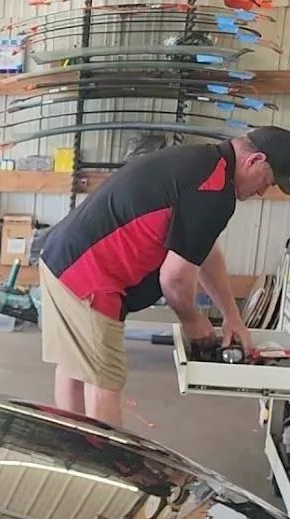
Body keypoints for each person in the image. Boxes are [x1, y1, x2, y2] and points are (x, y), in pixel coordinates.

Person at [39, 127, 290, 427]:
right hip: (91, 277)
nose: (262, 191)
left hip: (60, 258)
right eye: (267, 181)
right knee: (105, 382)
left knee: (74, 367)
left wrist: (231, 316)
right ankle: (103, 466)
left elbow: (203, 249)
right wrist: (193, 321)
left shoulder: (205, 162)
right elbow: (174, 279)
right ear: (254, 160)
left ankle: (74, 454)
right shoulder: (215, 192)